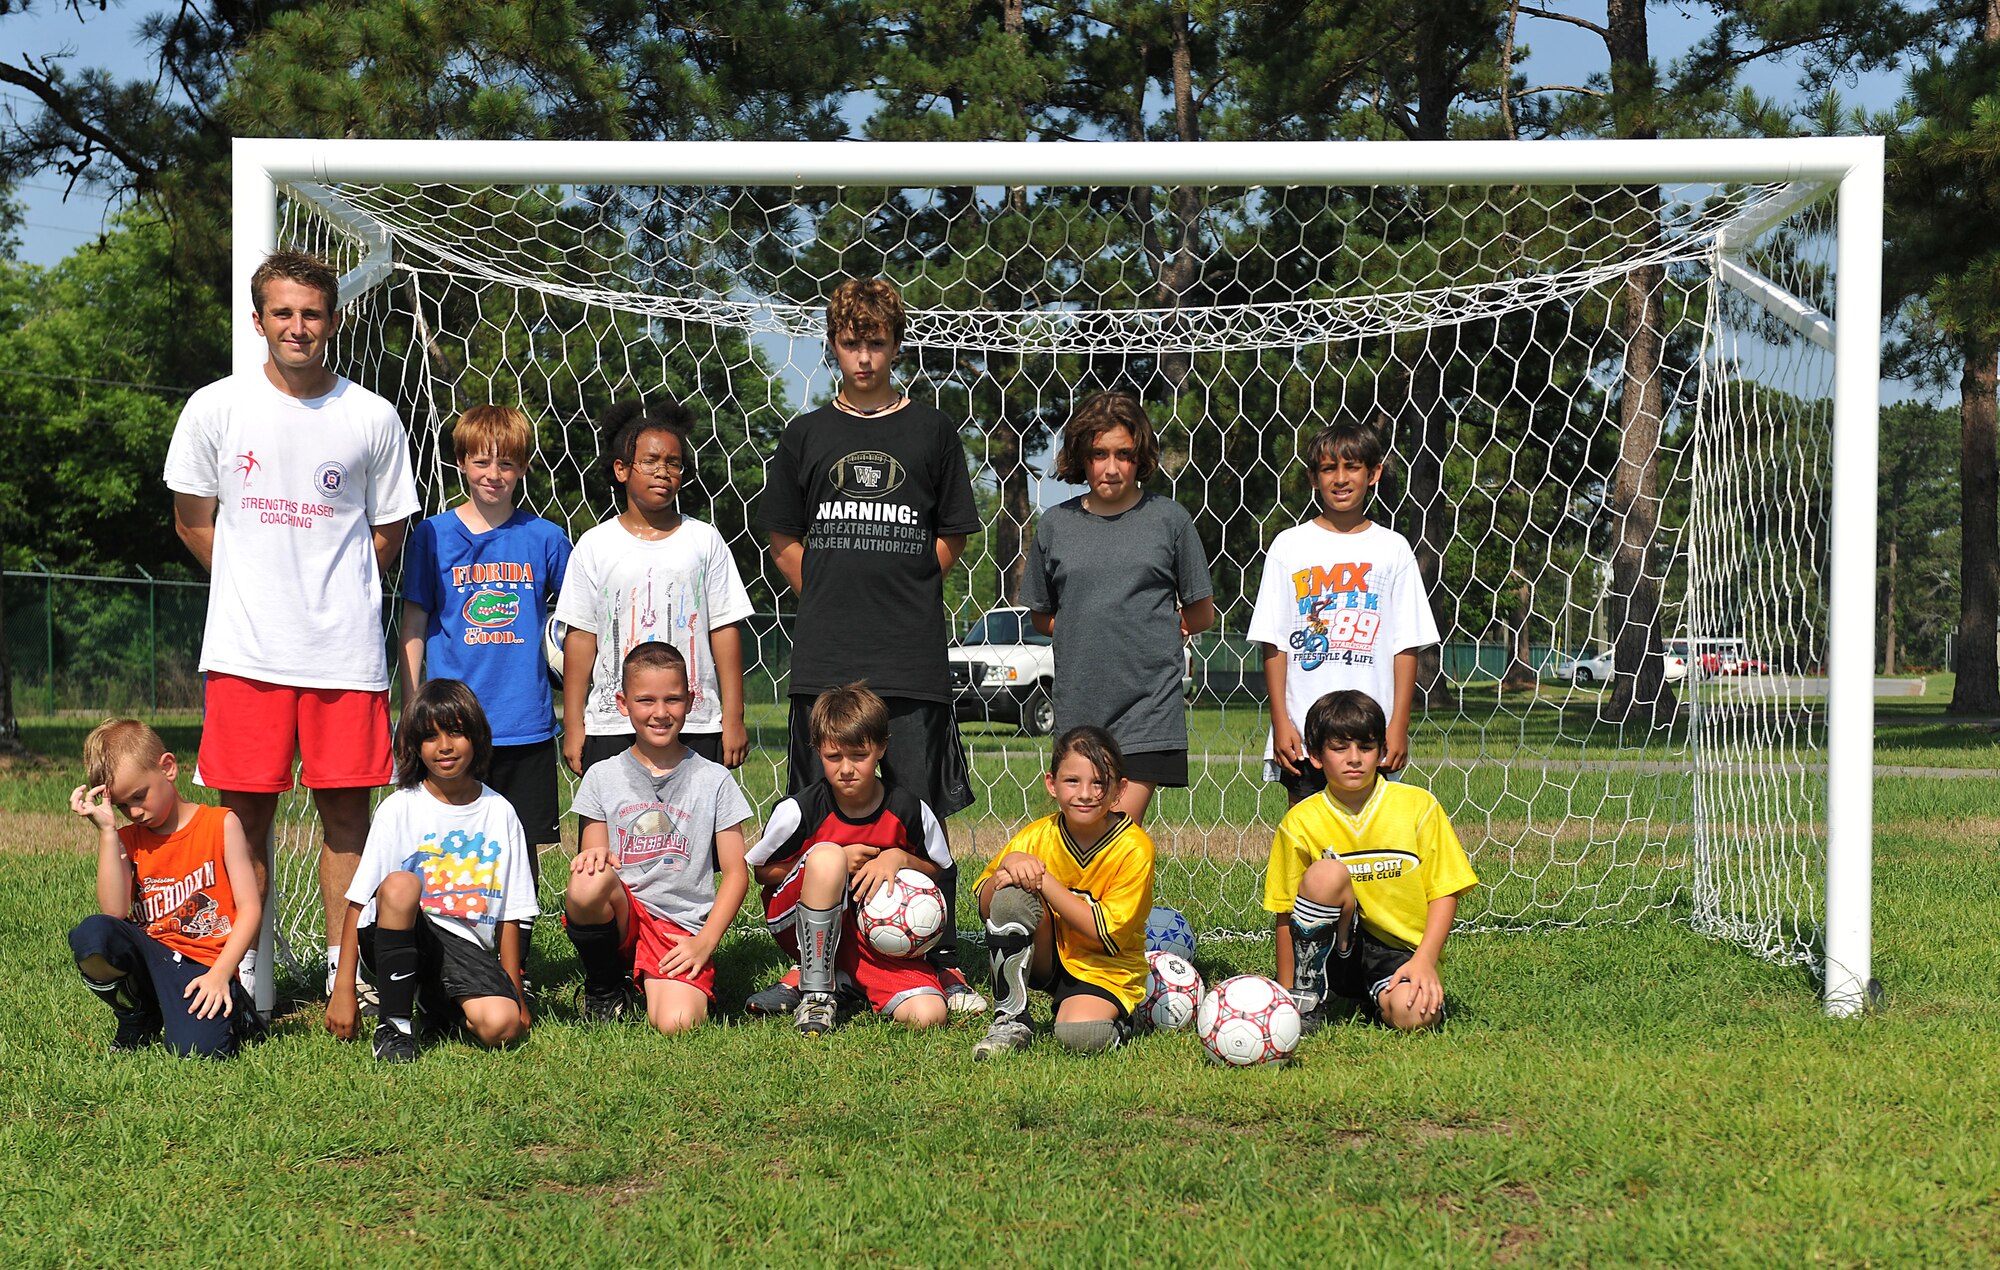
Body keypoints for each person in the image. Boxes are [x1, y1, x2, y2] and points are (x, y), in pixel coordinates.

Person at [164, 249, 420, 995]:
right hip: (247, 654)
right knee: (243, 824)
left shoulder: (371, 415)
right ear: (258, 320)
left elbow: (387, 534)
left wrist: (324, 590)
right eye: (283, 312)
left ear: (334, 321)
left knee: (348, 819)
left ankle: (352, 976)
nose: (297, 327)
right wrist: (259, 584)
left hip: (342, 656)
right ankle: (239, 978)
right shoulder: (216, 407)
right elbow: (190, 522)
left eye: (311, 314)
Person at [756, 275, 985, 1013]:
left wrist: (905, 594)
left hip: (908, 660)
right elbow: (783, 538)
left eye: (876, 343)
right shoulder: (806, 435)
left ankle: (933, 954)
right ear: (831, 346)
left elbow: (949, 538)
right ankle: (812, 962)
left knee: (914, 813)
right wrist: (826, 594)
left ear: (896, 344)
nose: (863, 357)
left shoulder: (932, 433)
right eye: (851, 343)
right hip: (826, 657)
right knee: (816, 809)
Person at [1022, 391, 1215, 824]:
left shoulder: (1170, 520)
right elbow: (1042, 615)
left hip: (1147, 707)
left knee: (1117, 837)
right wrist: (1090, 629)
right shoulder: (1056, 524)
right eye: (1099, 454)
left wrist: (1150, 629)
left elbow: (1201, 613)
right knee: (1081, 840)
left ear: (1141, 456)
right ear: (1080, 456)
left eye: (1124, 454)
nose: (1111, 468)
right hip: (1079, 707)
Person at [398, 405, 571, 886]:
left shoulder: (546, 538)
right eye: (481, 462)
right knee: (445, 839)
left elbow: (578, 622)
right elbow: (413, 622)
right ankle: (454, 946)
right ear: (461, 463)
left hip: (523, 723)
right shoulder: (431, 536)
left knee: (518, 844)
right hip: (450, 724)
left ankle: (516, 959)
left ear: (524, 467)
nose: (493, 475)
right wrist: (412, 708)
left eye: (506, 464)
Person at [325, 680, 538, 1062]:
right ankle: (394, 1026)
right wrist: (344, 987)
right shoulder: (398, 808)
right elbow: (358, 903)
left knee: (501, 1026)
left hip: (465, 947)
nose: (444, 746)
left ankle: (438, 1006)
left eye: (456, 732)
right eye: (430, 737)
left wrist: (515, 994)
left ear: (476, 736)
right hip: (401, 934)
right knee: (403, 884)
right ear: (413, 747)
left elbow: (512, 915)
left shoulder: (500, 812)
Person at [556, 399, 752, 786]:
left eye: (673, 462)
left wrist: (732, 716)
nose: (663, 471)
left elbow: (724, 629)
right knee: (611, 837)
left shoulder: (704, 540)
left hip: (695, 721)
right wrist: (575, 722)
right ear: (621, 469)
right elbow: (580, 636)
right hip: (613, 723)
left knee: (694, 837)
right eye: (650, 461)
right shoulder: (595, 545)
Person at [743, 683, 955, 1037]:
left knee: (928, 1014)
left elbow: (942, 870)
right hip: (798, 926)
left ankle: (846, 980)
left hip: (876, 938)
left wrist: (899, 858)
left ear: (881, 748)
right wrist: (832, 860)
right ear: (818, 751)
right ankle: (814, 992)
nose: (846, 769)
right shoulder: (800, 810)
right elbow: (763, 872)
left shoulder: (910, 810)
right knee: (827, 857)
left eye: (859, 755)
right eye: (833, 757)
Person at [1247, 419, 1440, 805]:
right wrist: (1281, 721)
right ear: (1313, 479)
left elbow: (1406, 645)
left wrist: (1398, 725)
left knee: (1372, 845)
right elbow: (1275, 642)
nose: (1340, 478)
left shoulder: (1393, 549)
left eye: (1352, 466)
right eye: (1328, 468)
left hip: (1371, 735)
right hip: (1306, 736)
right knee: (1310, 841)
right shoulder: (1289, 546)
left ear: (1374, 474)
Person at [563, 643, 753, 1035]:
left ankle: (653, 982)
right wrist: (591, 859)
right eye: (646, 700)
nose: (660, 712)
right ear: (622, 703)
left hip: (679, 928)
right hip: (625, 917)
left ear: (691, 700)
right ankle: (606, 985)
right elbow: (594, 856)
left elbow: (736, 875)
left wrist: (704, 943)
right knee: (587, 881)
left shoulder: (714, 779)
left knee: (677, 1024)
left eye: (672, 699)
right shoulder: (602, 776)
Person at [1262, 690, 1477, 1032]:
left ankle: (1382, 999)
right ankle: (1309, 994)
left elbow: (1445, 891)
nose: (1354, 759)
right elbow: (1286, 912)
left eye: (1365, 748)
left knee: (1416, 1015)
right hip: (1332, 949)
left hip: (1397, 951)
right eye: (1339, 748)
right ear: (1316, 756)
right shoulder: (1300, 821)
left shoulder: (1418, 807)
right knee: (1325, 875)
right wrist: (1286, 997)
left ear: (1380, 752)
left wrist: (1425, 961)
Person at [66, 720, 262, 1057]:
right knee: (92, 937)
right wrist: (108, 832)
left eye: (140, 796)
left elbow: (250, 908)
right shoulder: (127, 839)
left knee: (199, 1052)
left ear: (168, 768)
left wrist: (220, 973)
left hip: (203, 965)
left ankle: (239, 1013)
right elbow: (113, 911)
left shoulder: (219, 824)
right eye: (124, 805)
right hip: (151, 956)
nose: (135, 811)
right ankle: (137, 1014)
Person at [970, 726, 1155, 1060]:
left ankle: (1127, 1016)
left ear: (1119, 791)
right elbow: (986, 905)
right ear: (1051, 784)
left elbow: (1105, 934)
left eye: (1099, 783)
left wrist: (1044, 880)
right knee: (1010, 893)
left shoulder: (1134, 847)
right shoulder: (1037, 835)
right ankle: (1010, 1019)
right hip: (1047, 957)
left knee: (1080, 1036)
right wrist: (1007, 868)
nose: (1085, 793)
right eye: (1072, 781)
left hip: (1105, 967)